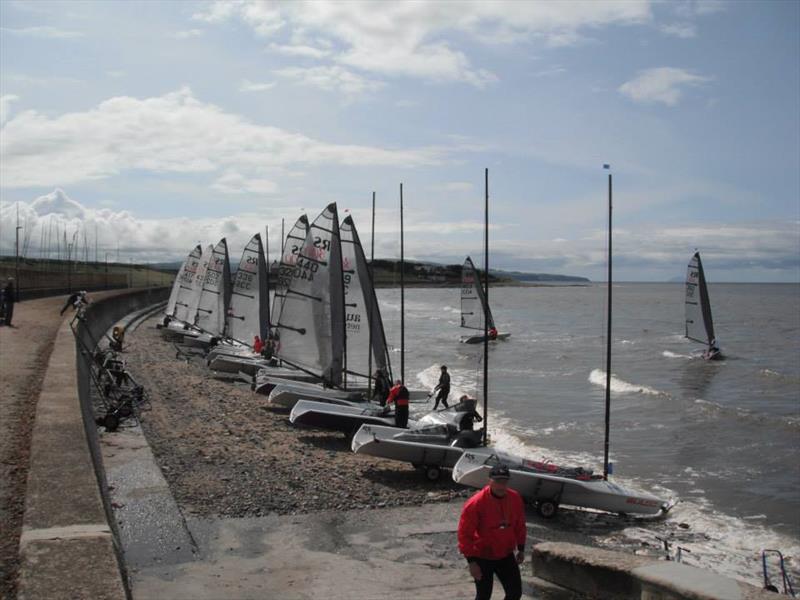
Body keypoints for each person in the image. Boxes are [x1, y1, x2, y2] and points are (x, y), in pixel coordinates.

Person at [458, 463, 526, 600]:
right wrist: (471, 562)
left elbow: (520, 524)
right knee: (483, 596)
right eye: (497, 481)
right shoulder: (475, 503)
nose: (501, 486)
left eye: (504, 481)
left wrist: (521, 548)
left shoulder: (515, 498)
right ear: (490, 481)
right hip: (483, 556)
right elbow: (464, 534)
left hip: (505, 554)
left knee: (514, 593)